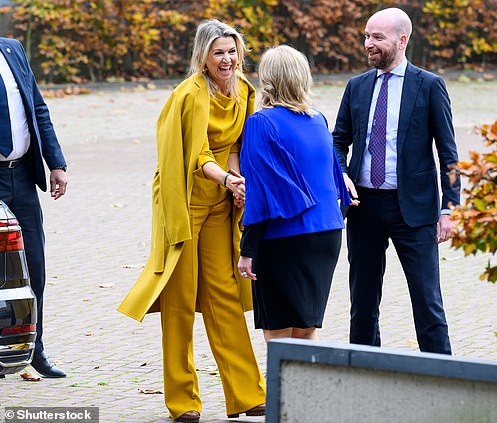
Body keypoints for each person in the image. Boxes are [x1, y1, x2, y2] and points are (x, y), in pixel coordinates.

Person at [117, 20, 265, 423]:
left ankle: (248, 394)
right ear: (204, 56)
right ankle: (183, 403)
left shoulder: (246, 93)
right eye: (219, 52)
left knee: (224, 295)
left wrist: (238, 180)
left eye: (232, 51)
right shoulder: (187, 96)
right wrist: (228, 178)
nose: (228, 59)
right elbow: (198, 155)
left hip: (220, 203)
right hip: (184, 201)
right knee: (180, 301)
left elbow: (237, 146)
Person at [332, 8, 461, 354]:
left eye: (377, 37)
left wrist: (449, 209)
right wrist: (341, 176)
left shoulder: (430, 86)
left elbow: (448, 153)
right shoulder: (357, 86)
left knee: (427, 300)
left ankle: (441, 376)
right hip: (364, 207)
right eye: (366, 36)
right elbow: (338, 140)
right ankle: (363, 372)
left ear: (402, 41)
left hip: (414, 211)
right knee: (362, 301)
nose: (368, 44)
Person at [237, 45, 351, 342]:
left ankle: (282, 391)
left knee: (278, 335)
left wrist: (247, 250)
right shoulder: (319, 120)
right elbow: (334, 182)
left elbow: (260, 193)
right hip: (327, 235)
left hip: (284, 239)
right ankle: (308, 389)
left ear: (268, 79)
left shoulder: (260, 123)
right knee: (305, 330)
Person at [0, 37, 68, 378]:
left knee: (34, 268)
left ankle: (33, 350)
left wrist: (56, 163)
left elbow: (38, 108)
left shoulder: (12, 49)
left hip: (23, 178)